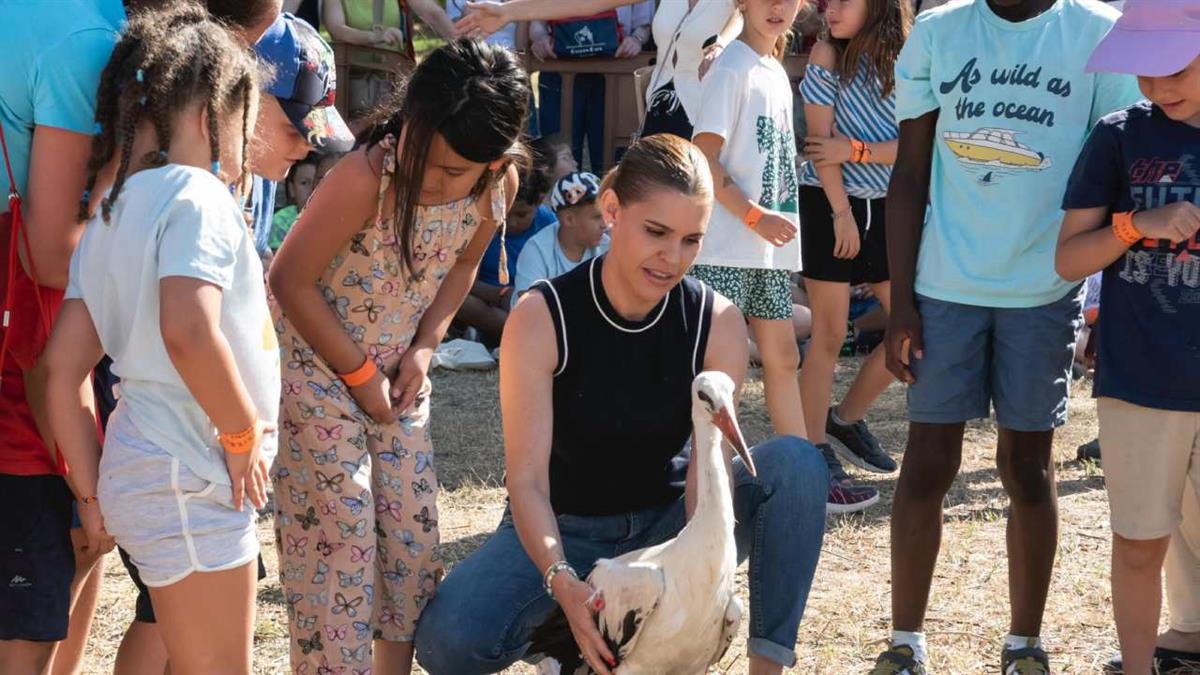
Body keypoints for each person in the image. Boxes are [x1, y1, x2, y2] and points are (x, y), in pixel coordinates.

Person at [414, 132, 827, 675]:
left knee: (797, 463)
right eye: (656, 232)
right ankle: (568, 644)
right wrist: (561, 580)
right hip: (566, 528)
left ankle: (762, 667)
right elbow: (527, 484)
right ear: (611, 210)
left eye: (691, 240)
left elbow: (708, 485)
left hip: (672, 529)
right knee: (450, 641)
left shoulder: (718, 322)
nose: (672, 257)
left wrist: (696, 595)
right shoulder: (541, 315)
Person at [872, 0, 1143, 669]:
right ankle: (905, 642)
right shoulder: (938, 33)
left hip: (1046, 289)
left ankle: (1025, 644)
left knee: (1027, 467)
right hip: (943, 287)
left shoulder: (1100, 34)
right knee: (927, 461)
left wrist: (1114, 309)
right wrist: (899, 302)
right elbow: (907, 176)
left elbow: (1122, 180)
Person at [268, 39, 528, 675]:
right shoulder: (363, 177)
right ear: (407, 119)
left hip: (396, 378)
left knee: (409, 545)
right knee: (341, 537)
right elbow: (289, 279)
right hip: (316, 372)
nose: (433, 182)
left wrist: (426, 346)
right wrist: (359, 378)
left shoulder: (497, 185)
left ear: (494, 166)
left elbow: (463, 266)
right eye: (426, 160)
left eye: (454, 174)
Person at [43, 7, 277, 675]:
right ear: (211, 117)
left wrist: (92, 495)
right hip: (194, 471)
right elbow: (188, 327)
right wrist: (239, 433)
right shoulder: (197, 197)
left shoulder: (113, 210)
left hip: (146, 471)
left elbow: (63, 369)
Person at [1055, 3, 1200, 672]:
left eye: (1172, 65)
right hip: (1141, 378)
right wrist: (1140, 223)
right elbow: (1069, 259)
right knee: (1140, 543)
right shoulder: (1117, 137)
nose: (1155, 84)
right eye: (1141, 69)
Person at [0, 2, 132, 673]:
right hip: (30, 345)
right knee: (62, 535)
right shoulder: (84, 41)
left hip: (34, 342)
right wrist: (121, 192)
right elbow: (51, 258)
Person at [795, 0, 911, 513]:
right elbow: (821, 147)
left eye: (843, 0)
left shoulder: (909, 55)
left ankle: (844, 418)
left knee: (913, 328)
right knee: (829, 332)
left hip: (885, 204)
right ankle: (812, 449)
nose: (829, 9)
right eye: (824, 1)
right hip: (827, 200)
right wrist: (841, 213)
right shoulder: (824, 53)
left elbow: (917, 143)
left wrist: (858, 149)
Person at [690, 0, 807, 446]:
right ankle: (708, 476)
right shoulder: (731, 67)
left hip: (767, 248)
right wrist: (754, 216)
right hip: (725, 246)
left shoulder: (773, 69)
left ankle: (803, 466)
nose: (777, 6)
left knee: (783, 357)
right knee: (722, 373)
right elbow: (704, 155)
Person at [455, 0, 743, 140]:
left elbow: (742, 16)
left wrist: (721, 44)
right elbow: (586, 3)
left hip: (711, 116)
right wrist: (507, 12)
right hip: (660, 116)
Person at [529, 1, 653, 173]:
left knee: (613, 159)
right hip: (559, 71)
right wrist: (540, 37)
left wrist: (636, 39)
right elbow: (535, 18)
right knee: (558, 154)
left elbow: (645, 24)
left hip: (617, 71)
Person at [457, 166, 556, 346]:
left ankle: (503, 333)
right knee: (460, 301)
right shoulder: (482, 222)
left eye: (521, 214)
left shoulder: (548, 224)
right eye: (504, 214)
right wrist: (501, 294)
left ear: (540, 201)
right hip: (489, 302)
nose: (511, 223)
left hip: (532, 303)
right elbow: (464, 281)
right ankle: (513, 333)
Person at [324, 0, 456, 118]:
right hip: (350, 88)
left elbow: (433, 13)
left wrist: (463, 44)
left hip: (393, 86)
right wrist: (374, 37)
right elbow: (337, 30)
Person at [512, 171, 610, 305]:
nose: (605, 224)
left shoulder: (607, 247)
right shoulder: (537, 251)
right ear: (569, 219)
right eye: (597, 217)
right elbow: (527, 305)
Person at [269, 151, 342, 252]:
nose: (312, 189)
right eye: (304, 183)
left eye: (319, 182)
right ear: (291, 188)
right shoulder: (281, 221)